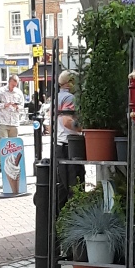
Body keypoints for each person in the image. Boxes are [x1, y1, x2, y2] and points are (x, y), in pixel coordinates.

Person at [55, 70, 85, 217]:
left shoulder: (56, 97)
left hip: (59, 145)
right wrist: (83, 127)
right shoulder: (70, 98)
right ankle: (74, 220)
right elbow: (67, 121)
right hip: (71, 146)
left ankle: (60, 220)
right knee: (75, 186)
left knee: (62, 186)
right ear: (70, 82)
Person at [0, 74, 25, 170]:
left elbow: (22, 106)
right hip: (3, 121)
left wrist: (17, 107)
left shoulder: (19, 92)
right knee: (3, 143)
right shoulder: (1, 91)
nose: (14, 87)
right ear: (9, 82)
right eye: (12, 85)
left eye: (15, 85)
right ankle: (1, 164)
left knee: (13, 144)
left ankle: (12, 163)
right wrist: (4, 105)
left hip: (14, 122)